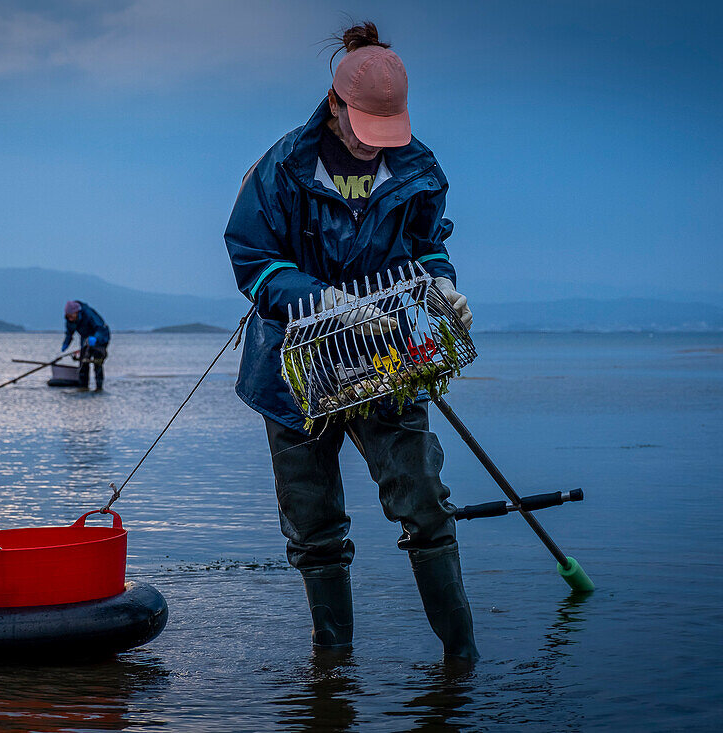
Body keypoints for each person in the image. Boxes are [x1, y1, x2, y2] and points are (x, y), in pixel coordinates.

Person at [224, 23, 478, 659]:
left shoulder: (418, 168)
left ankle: (462, 663)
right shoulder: (281, 169)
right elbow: (252, 256)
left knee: (424, 502)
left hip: (389, 360)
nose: (373, 149)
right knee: (315, 527)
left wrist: (442, 287)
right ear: (335, 106)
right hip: (294, 368)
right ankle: (332, 674)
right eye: (363, 131)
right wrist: (318, 298)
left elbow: (428, 244)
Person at [61, 300, 110, 391]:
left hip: (100, 338)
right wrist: (65, 344)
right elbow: (69, 333)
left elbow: (100, 327)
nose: (70, 318)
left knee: (97, 363)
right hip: (85, 339)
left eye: (72, 316)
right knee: (83, 363)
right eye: (68, 316)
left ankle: (99, 388)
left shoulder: (88, 314)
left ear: (77, 312)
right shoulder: (69, 320)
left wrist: (96, 338)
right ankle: (83, 387)